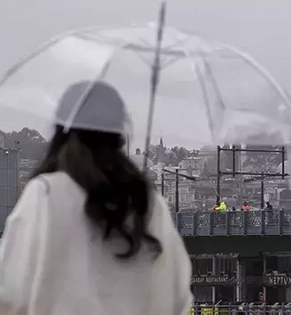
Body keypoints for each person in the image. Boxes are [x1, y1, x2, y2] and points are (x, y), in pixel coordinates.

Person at [0, 81, 192, 315]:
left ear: (62, 131)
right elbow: (178, 297)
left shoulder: (46, 195)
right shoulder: (149, 203)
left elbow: (10, 293)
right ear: (119, 134)